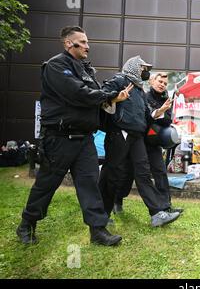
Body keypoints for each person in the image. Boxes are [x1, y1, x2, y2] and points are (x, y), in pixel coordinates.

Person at [16, 26, 131, 246]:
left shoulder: (85, 69)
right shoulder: (56, 66)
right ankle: (27, 224)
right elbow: (78, 94)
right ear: (69, 44)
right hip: (59, 138)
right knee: (46, 184)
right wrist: (110, 95)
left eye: (88, 42)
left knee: (89, 184)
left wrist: (112, 100)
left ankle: (98, 231)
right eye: (83, 42)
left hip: (84, 139)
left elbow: (94, 99)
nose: (88, 46)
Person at [99, 57, 180, 227]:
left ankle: (157, 213)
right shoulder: (119, 80)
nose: (146, 71)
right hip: (119, 134)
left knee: (143, 174)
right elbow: (101, 97)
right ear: (134, 68)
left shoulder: (139, 90)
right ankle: (102, 215)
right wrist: (115, 98)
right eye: (144, 68)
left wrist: (160, 111)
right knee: (111, 175)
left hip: (137, 137)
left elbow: (147, 115)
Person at [113, 72, 183, 214]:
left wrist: (161, 112)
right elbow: (144, 119)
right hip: (139, 141)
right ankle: (117, 200)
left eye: (165, 83)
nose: (162, 85)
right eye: (160, 81)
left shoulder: (166, 99)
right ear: (151, 82)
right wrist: (158, 113)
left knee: (160, 172)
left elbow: (167, 120)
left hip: (154, 143)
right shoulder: (144, 96)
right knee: (128, 175)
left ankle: (165, 206)